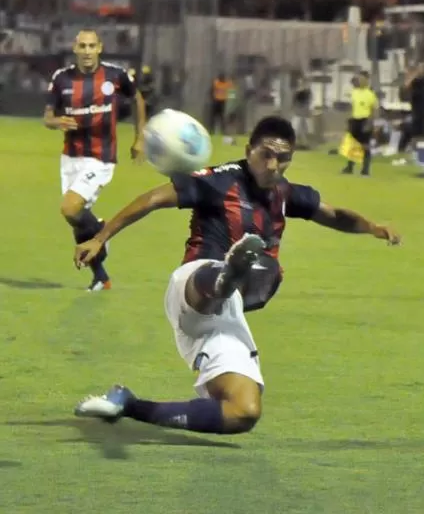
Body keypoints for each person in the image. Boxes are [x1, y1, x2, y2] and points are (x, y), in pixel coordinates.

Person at [71, 116, 401, 435]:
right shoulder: (218, 180)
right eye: (266, 155)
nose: (273, 165)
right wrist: (101, 237)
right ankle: (228, 274)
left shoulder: (284, 193)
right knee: (243, 272)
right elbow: (153, 199)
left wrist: (373, 227)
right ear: (249, 151)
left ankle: (128, 404)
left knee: (244, 411)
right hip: (193, 284)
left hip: (225, 320)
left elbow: (334, 215)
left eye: (283, 158)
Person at [44, 29, 147, 291]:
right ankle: (101, 276)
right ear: (75, 48)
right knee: (75, 217)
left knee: (69, 208)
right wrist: (58, 122)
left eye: (92, 46)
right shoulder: (61, 79)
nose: (87, 51)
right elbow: (48, 118)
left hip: (101, 157)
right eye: (83, 46)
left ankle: (102, 231)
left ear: (100, 47)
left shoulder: (115, 75)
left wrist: (140, 137)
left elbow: (137, 98)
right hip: (71, 157)